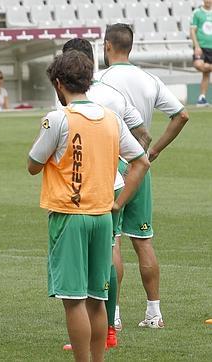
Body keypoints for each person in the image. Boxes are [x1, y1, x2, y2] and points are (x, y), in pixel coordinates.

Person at [28, 50, 149, 362]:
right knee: (97, 299)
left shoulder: (57, 119)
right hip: (103, 217)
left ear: (58, 83)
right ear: (89, 80)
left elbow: (32, 164)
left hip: (70, 216)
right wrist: (118, 202)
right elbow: (141, 161)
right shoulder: (111, 119)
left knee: (74, 300)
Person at [58, 37, 152, 350]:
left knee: (80, 270)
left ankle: (94, 333)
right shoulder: (114, 96)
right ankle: (109, 328)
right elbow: (143, 136)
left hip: (78, 192)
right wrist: (124, 169)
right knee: (108, 251)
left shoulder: (66, 104)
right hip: (113, 184)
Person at [95, 23, 189, 330]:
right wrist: (154, 152)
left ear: (107, 45)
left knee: (113, 243)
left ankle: (115, 314)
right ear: (130, 47)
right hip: (141, 164)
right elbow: (181, 115)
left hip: (112, 164)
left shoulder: (101, 80)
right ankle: (154, 313)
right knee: (144, 240)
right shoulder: (149, 79)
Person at [191, 0, 212, 106]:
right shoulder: (197, 13)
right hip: (201, 48)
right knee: (199, 65)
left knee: (206, 72)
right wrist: (196, 46)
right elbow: (192, 30)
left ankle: (202, 98)